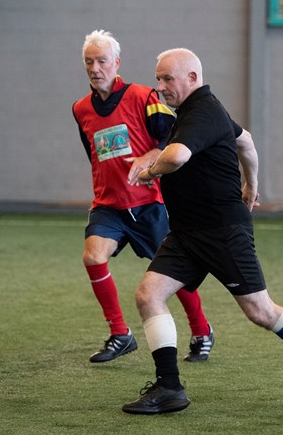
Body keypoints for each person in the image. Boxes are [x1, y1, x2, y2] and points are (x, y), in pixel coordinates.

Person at [121, 48, 283, 415]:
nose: (160, 86)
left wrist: (148, 170)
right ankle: (169, 387)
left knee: (260, 311)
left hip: (222, 230)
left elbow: (178, 157)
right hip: (186, 232)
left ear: (192, 78)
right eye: (158, 78)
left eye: (167, 78)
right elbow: (246, 140)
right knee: (149, 295)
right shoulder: (199, 113)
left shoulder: (203, 111)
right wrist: (252, 185)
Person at [73, 30, 215, 363]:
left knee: (174, 275)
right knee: (93, 257)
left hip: (149, 203)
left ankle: (201, 329)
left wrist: (150, 156)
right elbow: (93, 153)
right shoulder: (81, 109)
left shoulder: (143, 96)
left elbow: (174, 136)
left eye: (102, 60)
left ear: (116, 63)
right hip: (108, 205)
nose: (95, 67)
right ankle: (120, 334)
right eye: (89, 62)